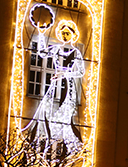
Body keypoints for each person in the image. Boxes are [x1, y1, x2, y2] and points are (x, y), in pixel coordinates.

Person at [24, 18, 85, 155]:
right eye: (63, 33)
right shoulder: (56, 48)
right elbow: (42, 53)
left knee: (64, 116)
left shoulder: (76, 52)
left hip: (67, 86)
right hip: (55, 84)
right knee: (47, 112)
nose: (65, 36)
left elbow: (80, 71)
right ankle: (45, 145)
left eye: (68, 33)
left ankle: (61, 148)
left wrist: (65, 73)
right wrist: (40, 34)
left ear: (73, 35)